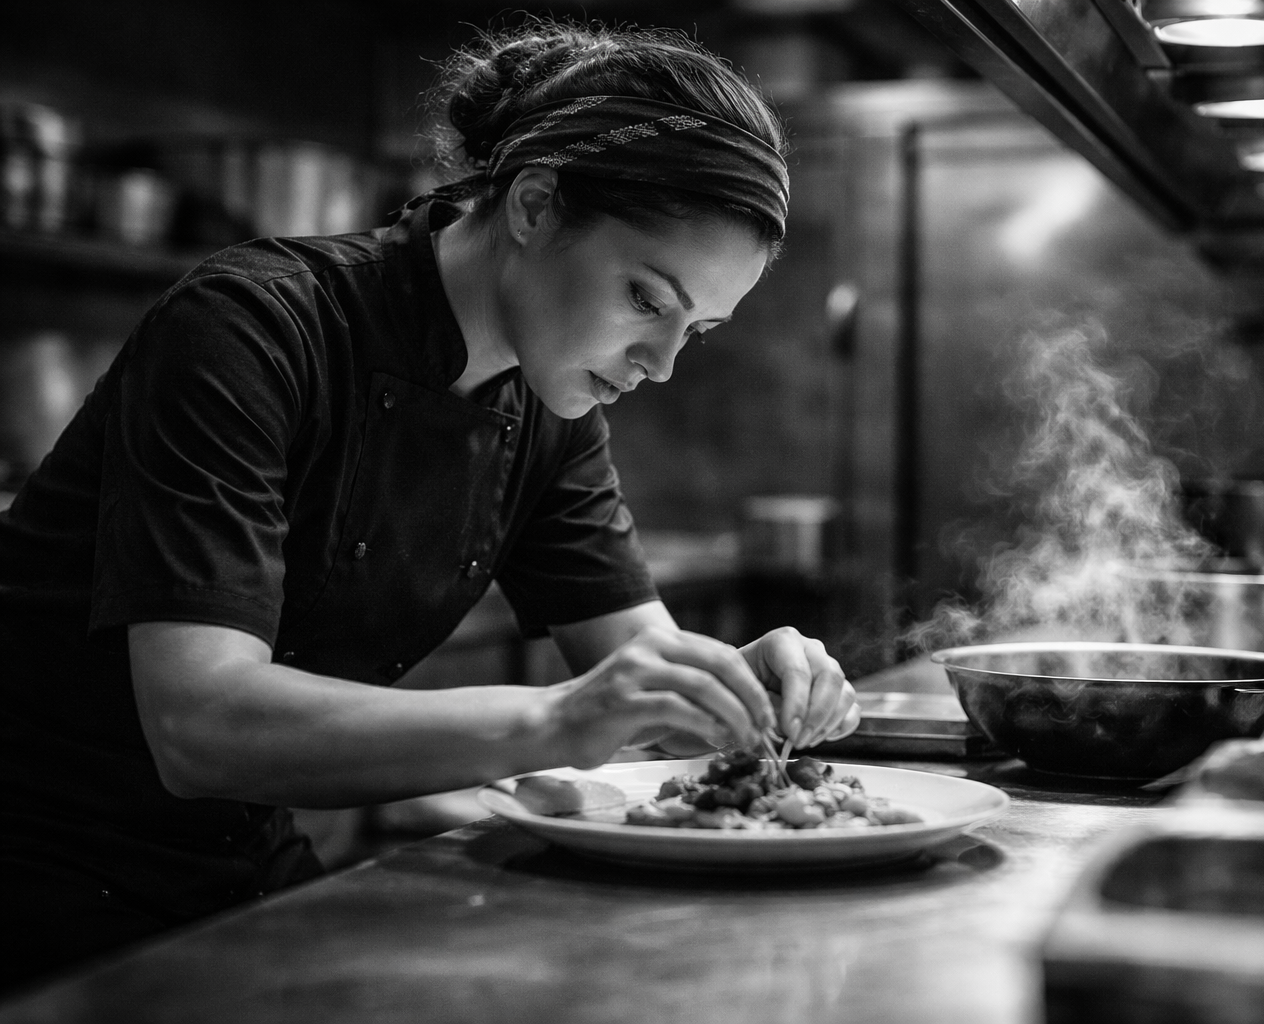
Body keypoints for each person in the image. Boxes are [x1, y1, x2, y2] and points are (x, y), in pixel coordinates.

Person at [0, 22, 858, 992]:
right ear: (534, 204)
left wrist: (738, 688)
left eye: (694, 330)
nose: (660, 365)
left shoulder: (551, 408)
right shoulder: (253, 327)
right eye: (646, 300)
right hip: (37, 880)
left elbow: (639, 670)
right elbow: (200, 724)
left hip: (239, 871)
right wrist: (556, 718)